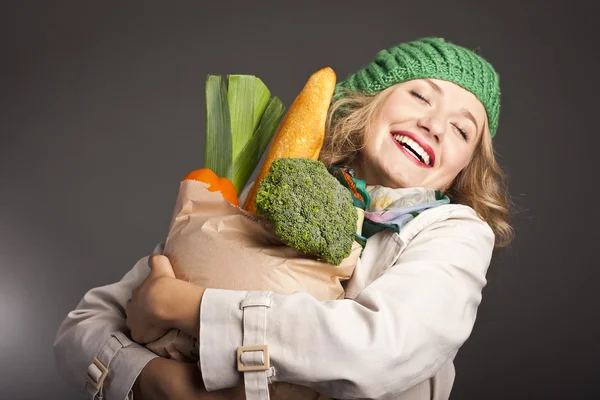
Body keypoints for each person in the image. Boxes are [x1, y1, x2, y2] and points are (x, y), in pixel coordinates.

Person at [54, 37, 513, 400]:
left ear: (463, 167)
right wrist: (153, 380)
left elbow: (380, 351)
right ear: (367, 103)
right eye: (419, 95)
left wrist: (185, 306)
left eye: (461, 128)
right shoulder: (277, 192)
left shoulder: (452, 234)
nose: (435, 124)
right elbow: (83, 328)